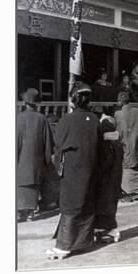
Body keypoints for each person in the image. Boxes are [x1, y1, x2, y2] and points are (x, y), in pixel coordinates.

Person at [46, 83, 101, 260]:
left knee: (71, 203)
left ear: (74, 100)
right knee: (87, 201)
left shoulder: (67, 120)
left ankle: (64, 245)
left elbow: (58, 142)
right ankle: (84, 241)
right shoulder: (94, 119)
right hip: (91, 165)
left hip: (73, 167)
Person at [16, 88, 54, 222]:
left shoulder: (18, 118)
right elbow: (48, 142)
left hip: (20, 158)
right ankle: (32, 211)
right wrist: (47, 159)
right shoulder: (42, 119)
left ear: (25, 103)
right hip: (36, 159)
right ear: (36, 104)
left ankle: (20, 212)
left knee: (20, 183)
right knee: (34, 184)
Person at [94, 107, 123, 243]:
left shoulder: (104, 126)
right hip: (115, 170)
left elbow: (107, 151)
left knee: (106, 202)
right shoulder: (109, 126)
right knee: (108, 202)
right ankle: (104, 230)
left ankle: (111, 231)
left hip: (109, 172)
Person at [115, 91, 138, 201]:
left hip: (125, 144)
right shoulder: (137, 111)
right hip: (136, 143)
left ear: (119, 102)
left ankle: (127, 193)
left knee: (126, 167)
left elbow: (117, 130)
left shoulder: (118, 114)